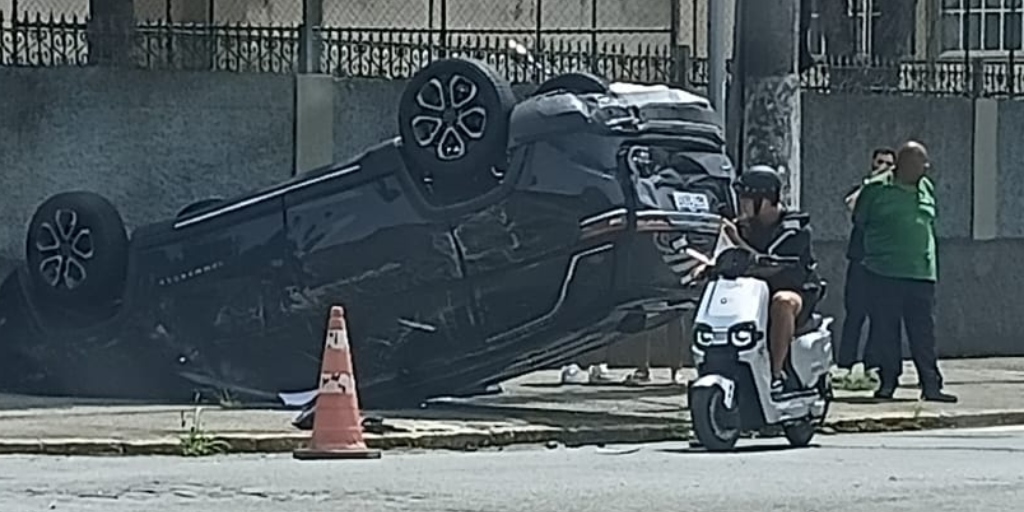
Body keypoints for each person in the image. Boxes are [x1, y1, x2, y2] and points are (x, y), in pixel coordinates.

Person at [853, 141, 957, 403]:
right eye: (920, 163)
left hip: (921, 273)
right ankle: (888, 382)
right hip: (885, 272)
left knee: (923, 333)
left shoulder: (925, 186)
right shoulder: (876, 189)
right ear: (903, 164)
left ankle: (931, 385)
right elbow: (859, 220)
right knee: (887, 331)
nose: (926, 167)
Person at [721, 166, 820, 395]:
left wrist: (736, 240)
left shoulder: (794, 230)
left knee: (782, 301)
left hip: (794, 291)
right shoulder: (742, 226)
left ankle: (775, 375)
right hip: (750, 294)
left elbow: (770, 262)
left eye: (747, 198)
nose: (742, 204)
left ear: (765, 200)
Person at [834, 148, 896, 383]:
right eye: (879, 162)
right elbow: (851, 205)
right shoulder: (866, 189)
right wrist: (871, 183)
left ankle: (873, 364)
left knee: (879, 317)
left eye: (889, 164)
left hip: (883, 263)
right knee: (854, 314)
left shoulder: (893, 194)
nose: (883, 167)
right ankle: (845, 363)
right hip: (860, 260)